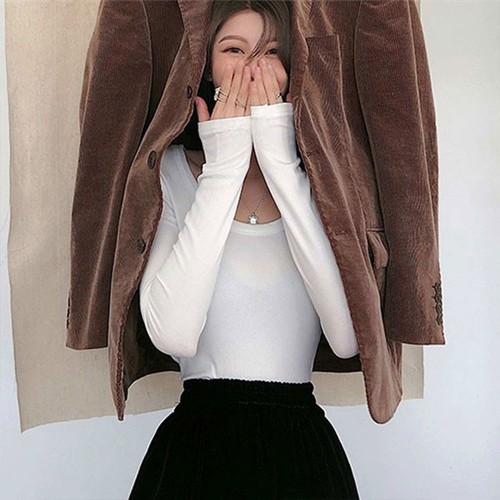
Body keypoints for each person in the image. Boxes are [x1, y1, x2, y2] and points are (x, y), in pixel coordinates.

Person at [129, 1, 360, 498]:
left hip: (302, 460)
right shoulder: (170, 172)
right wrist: (225, 165)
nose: (252, 69)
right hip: (197, 459)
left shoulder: (325, 184)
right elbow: (173, 334)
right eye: (234, 50)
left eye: (270, 52)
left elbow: (346, 338)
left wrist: (280, 162)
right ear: (206, 68)